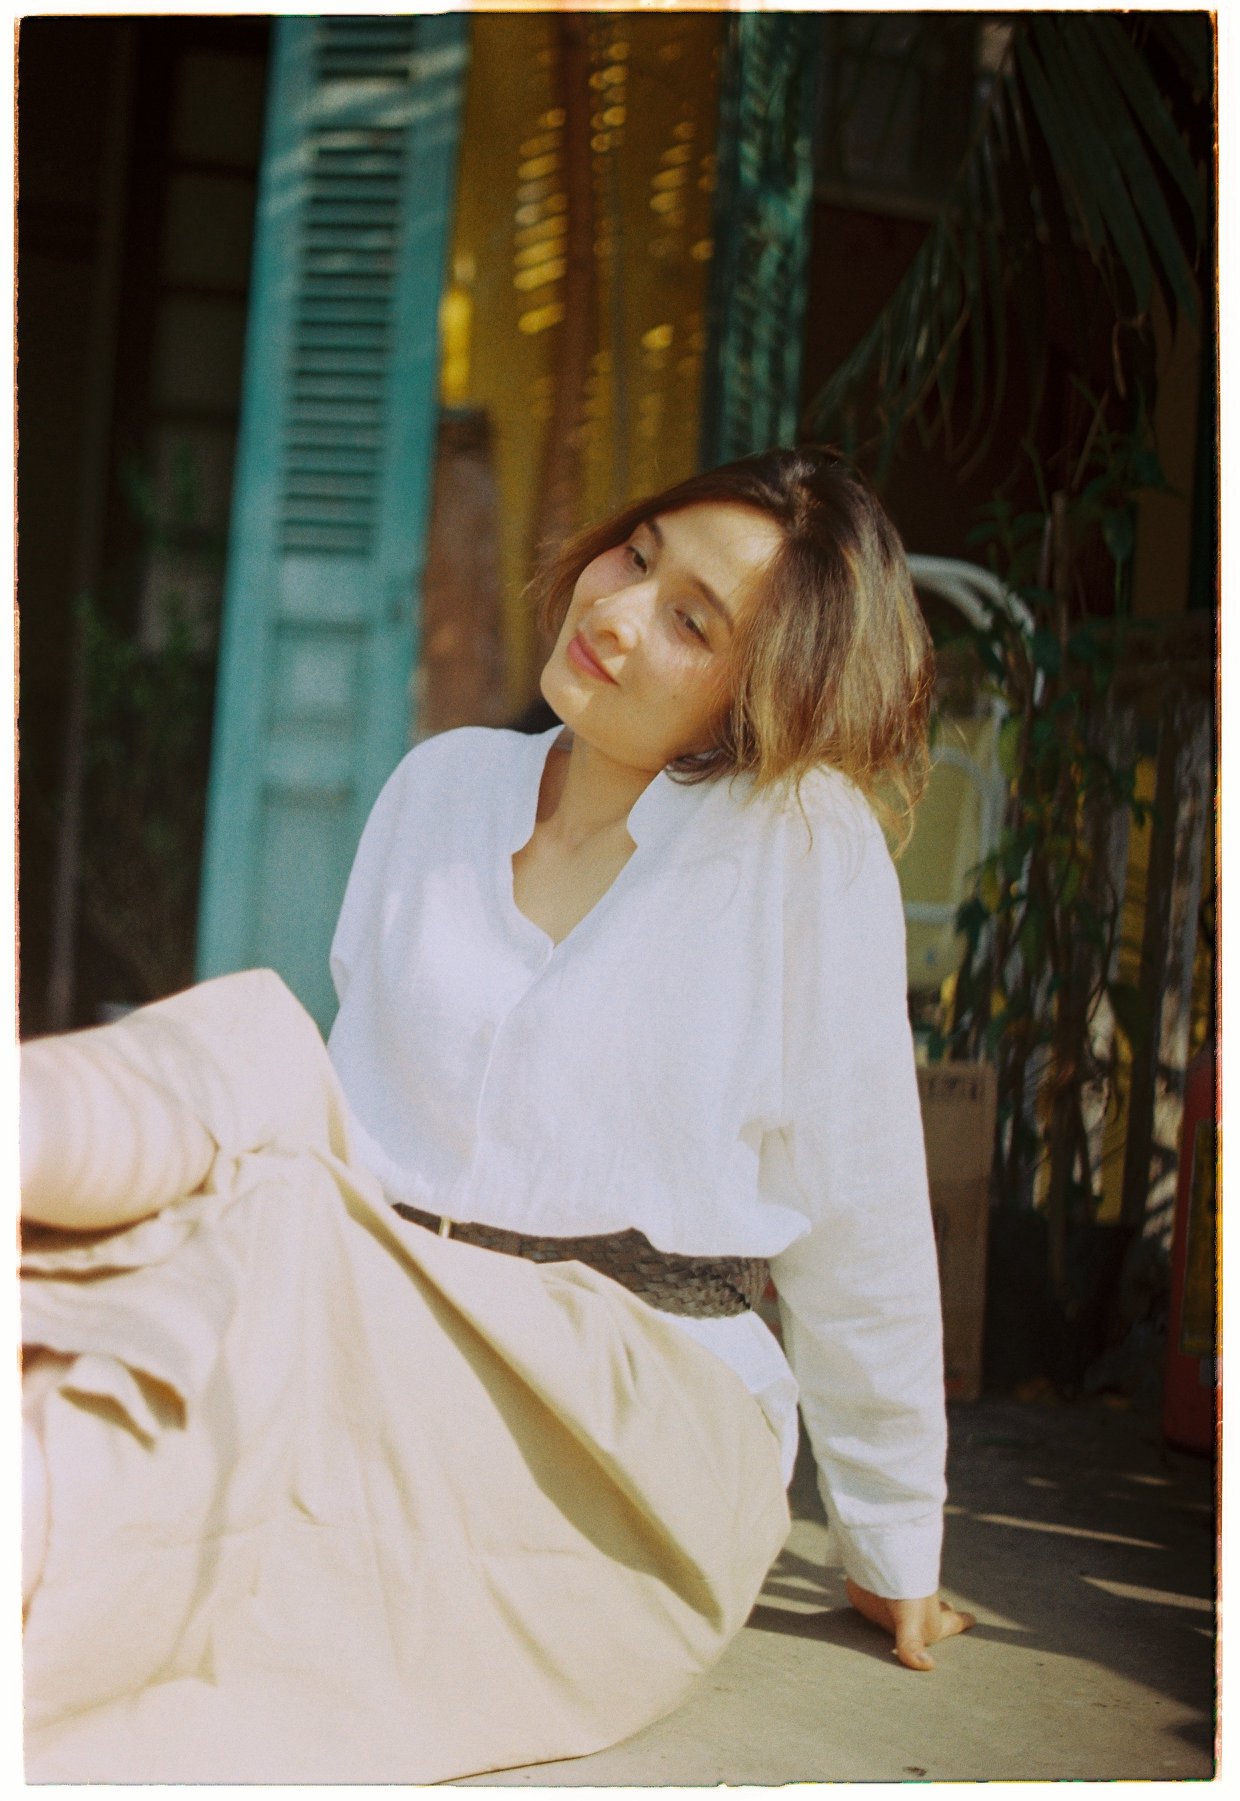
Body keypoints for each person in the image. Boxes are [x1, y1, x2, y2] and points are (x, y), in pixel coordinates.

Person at [20, 446, 973, 1783]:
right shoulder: (443, 787)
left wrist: (894, 1540)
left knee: (261, 1177)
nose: (617, 611)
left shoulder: (799, 845)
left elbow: (861, 1214)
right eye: (636, 555)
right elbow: (356, 1107)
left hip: (631, 1413)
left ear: (760, 696)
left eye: (692, 622)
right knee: (221, 1165)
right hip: (382, 1329)